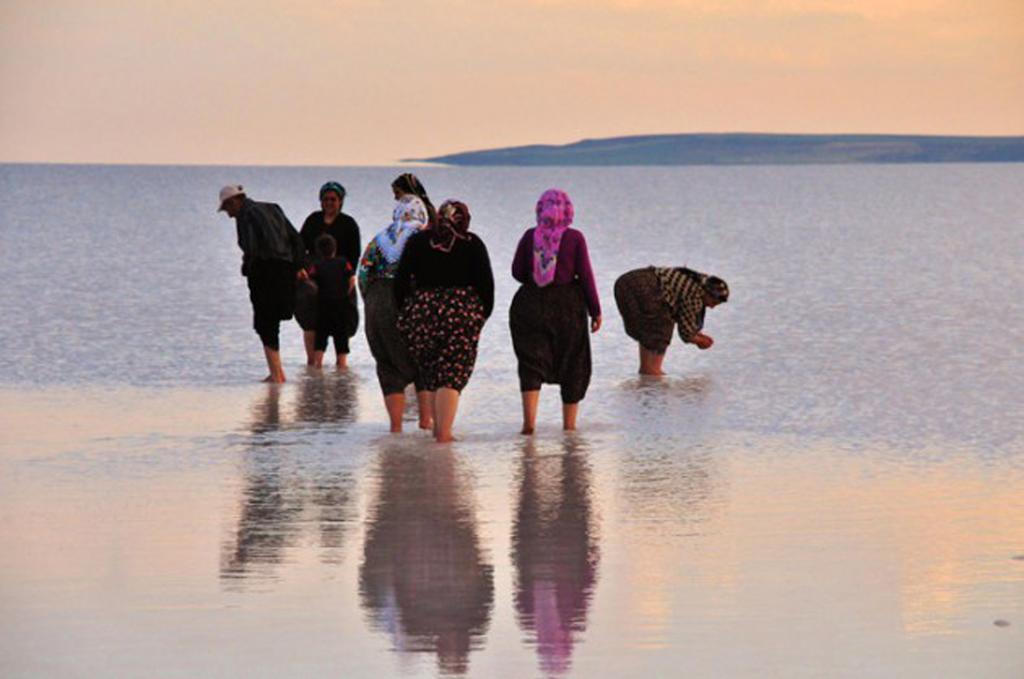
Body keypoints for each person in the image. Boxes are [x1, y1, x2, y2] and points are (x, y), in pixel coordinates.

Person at [395, 200, 494, 443]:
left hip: (422, 314)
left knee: (433, 374)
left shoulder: (418, 242)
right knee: (451, 375)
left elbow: (400, 282)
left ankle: (438, 429)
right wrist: (480, 316)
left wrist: (407, 314)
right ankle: (444, 434)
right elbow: (486, 286)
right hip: (461, 314)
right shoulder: (472, 244)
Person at [510, 189, 601, 434]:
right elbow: (586, 275)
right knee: (573, 362)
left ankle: (529, 425)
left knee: (531, 362)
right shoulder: (575, 238)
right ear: (568, 210)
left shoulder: (530, 236)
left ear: (540, 209)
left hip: (529, 303)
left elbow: (517, 272)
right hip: (567, 306)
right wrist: (595, 310)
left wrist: (535, 275)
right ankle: (569, 427)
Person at [358, 194, 434, 432]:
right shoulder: (422, 238)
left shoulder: (378, 239)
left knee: (387, 364)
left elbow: (362, 274)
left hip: (375, 303)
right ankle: (425, 421)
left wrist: (370, 301)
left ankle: (396, 428)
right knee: (423, 361)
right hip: (405, 300)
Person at [218, 184, 304, 383]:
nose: (229, 215)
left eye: (227, 209)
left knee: (265, 323)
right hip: (286, 269)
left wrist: (248, 266)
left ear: (234, 201)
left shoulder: (246, 216)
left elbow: (254, 249)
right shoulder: (273, 208)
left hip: (266, 272)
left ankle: (277, 375)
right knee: (271, 322)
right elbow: (295, 238)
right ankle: (277, 373)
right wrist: (299, 265)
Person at [613, 265, 729, 375]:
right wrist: (701, 341)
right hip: (646, 288)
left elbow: (685, 318)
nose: (712, 307)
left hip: (625, 281)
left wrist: (696, 333)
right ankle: (652, 374)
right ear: (707, 293)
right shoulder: (696, 295)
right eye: (713, 302)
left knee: (648, 331)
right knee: (661, 328)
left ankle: (647, 374)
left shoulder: (700, 280)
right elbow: (686, 333)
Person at [297, 181, 361, 366]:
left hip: (341, 276)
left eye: (333, 199)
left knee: (343, 323)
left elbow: (354, 254)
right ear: (320, 201)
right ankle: (313, 365)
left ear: (340, 201)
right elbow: (301, 246)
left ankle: (341, 367)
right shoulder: (313, 220)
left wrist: (351, 276)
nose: (329, 203)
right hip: (313, 278)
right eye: (325, 199)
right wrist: (301, 268)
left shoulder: (348, 224)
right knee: (310, 321)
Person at [306, 235, 358, 369]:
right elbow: (352, 279)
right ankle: (342, 367)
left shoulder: (316, 266)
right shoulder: (343, 262)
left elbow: (310, 281)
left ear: (318, 251)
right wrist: (346, 293)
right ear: (334, 249)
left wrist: (317, 292)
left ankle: (317, 367)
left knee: (321, 337)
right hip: (341, 305)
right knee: (341, 337)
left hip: (323, 306)